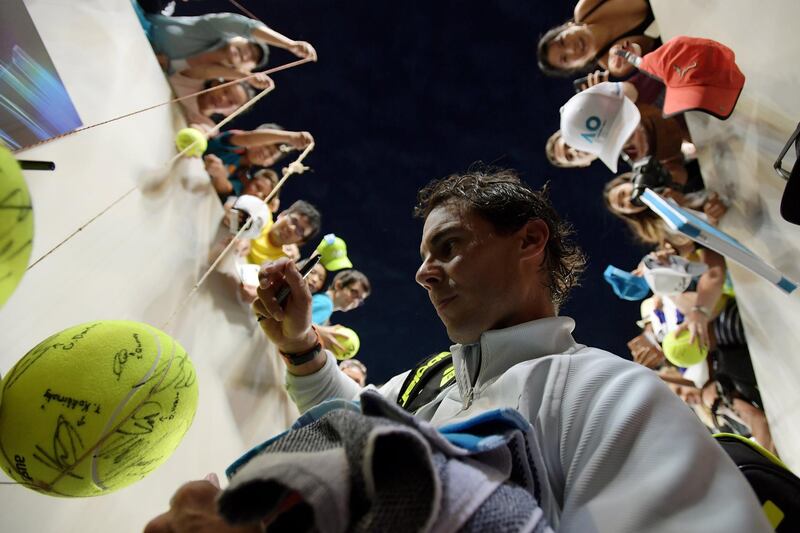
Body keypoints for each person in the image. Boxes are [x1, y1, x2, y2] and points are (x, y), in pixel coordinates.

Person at [233, 167, 769, 531]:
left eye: (449, 247)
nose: (423, 273)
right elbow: (354, 424)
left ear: (531, 242)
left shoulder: (609, 391)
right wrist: (302, 346)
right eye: (425, 255)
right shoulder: (430, 380)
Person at [142, 10, 316, 71]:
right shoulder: (214, 29)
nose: (247, 54)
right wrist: (289, 44)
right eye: (250, 46)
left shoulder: (213, 77)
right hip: (137, 27)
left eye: (252, 60)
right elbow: (248, 27)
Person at [537, 0, 658, 77]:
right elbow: (640, 48)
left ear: (568, 26)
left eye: (562, 42)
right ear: (578, 66)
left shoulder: (585, 8)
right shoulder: (613, 63)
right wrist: (630, 55)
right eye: (565, 59)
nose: (571, 49)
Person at [204, 125, 313, 201]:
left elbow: (227, 188)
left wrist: (220, 176)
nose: (265, 152)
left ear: (268, 164)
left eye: (271, 154)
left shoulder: (245, 177)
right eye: (265, 145)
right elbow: (248, 139)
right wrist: (289, 137)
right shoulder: (236, 143)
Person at [246, 200, 322, 266]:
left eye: (300, 231)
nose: (292, 228)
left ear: (300, 242)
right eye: (293, 220)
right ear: (282, 214)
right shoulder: (260, 216)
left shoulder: (283, 262)